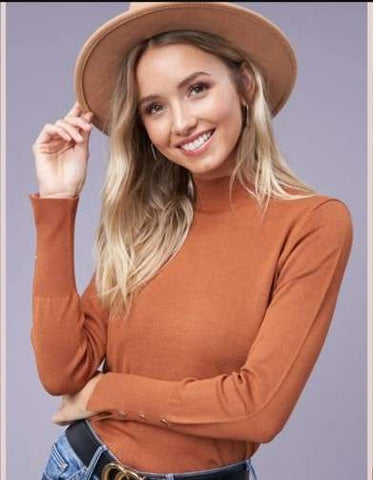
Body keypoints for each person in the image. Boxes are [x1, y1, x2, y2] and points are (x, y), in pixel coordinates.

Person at [29, 3, 353, 480]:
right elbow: (61, 374)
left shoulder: (313, 224)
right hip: (79, 466)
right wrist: (58, 203)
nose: (180, 123)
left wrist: (105, 393)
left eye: (197, 89)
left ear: (244, 85)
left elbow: (257, 408)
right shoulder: (149, 225)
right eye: (155, 107)